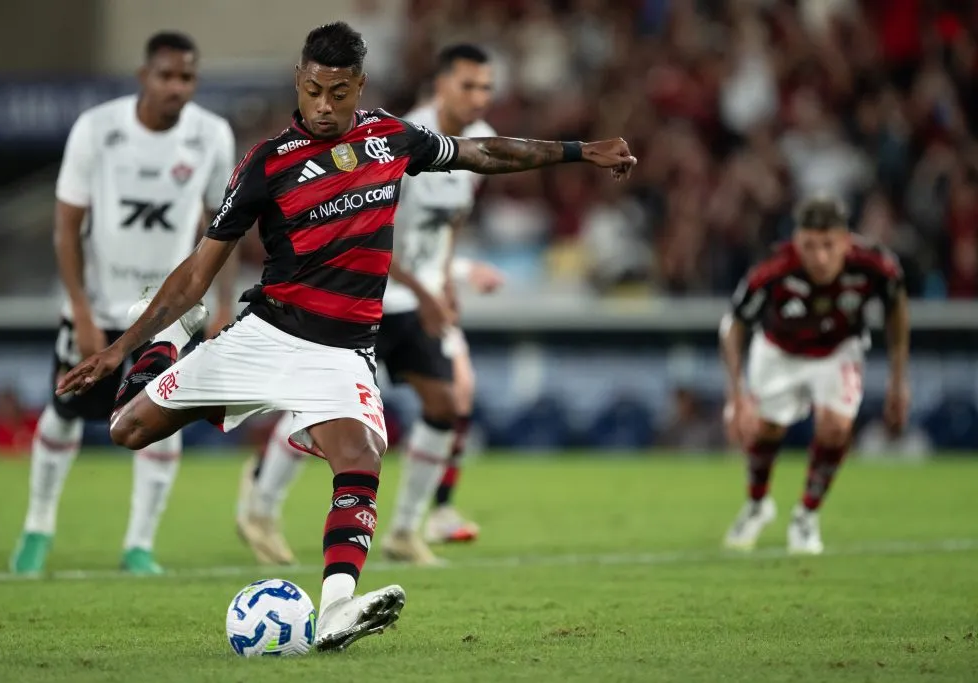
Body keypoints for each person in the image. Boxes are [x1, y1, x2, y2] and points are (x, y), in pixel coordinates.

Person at [57, 22, 635, 652]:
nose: (325, 106)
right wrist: (123, 349)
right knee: (127, 431)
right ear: (298, 83)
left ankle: (334, 610)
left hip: (340, 353)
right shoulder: (267, 163)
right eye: (313, 91)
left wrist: (579, 150)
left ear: (359, 85)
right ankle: (172, 343)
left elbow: (485, 153)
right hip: (265, 334)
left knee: (359, 457)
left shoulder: (391, 139)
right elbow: (199, 271)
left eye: (338, 92)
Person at [232, 43, 505, 568]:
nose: (477, 98)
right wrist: (426, 291)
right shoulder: (399, 141)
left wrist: (446, 279)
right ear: (440, 85)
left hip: (414, 298)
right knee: (322, 413)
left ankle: (405, 530)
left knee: (444, 405)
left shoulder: (475, 148)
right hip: (365, 292)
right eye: (467, 86)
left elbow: (447, 225)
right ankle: (261, 505)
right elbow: (366, 228)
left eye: (486, 88)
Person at [10, 31, 237, 576]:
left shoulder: (212, 134)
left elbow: (223, 227)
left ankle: (139, 544)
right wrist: (81, 310)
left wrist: (224, 300)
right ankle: (37, 529)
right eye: (166, 76)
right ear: (144, 76)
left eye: (186, 78)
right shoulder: (98, 130)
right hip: (99, 303)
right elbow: (68, 228)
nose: (176, 87)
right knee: (64, 411)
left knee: (160, 414)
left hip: (168, 312)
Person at [720, 196, 910, 555]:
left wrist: (898, 381)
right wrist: (736, 395)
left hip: (837, 349)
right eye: (809, 245)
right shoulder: (772, 269)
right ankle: (758, 504)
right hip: (779, 351)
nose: (820, 257)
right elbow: (733, 325)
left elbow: (897, 305)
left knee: (836, 427)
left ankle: (806, 515)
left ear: (845, 240)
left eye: (828, 245)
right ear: (796, 241)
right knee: (764, 430)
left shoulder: (875, 265)